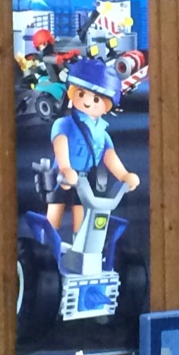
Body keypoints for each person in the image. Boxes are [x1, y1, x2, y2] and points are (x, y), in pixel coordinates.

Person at [48, 58, 140, 233]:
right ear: (72, 92)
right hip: (62, 176)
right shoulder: (65, 123)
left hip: (85, 180)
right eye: (81, 94)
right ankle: (45, 242)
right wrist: (65, 168)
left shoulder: (101, 132)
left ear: (106, 106)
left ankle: (79, 243)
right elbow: (60, 143)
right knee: (55, 210)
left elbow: (109, 155)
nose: (88, 102)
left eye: (97, 99)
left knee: (82, 218)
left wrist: (123, 175)